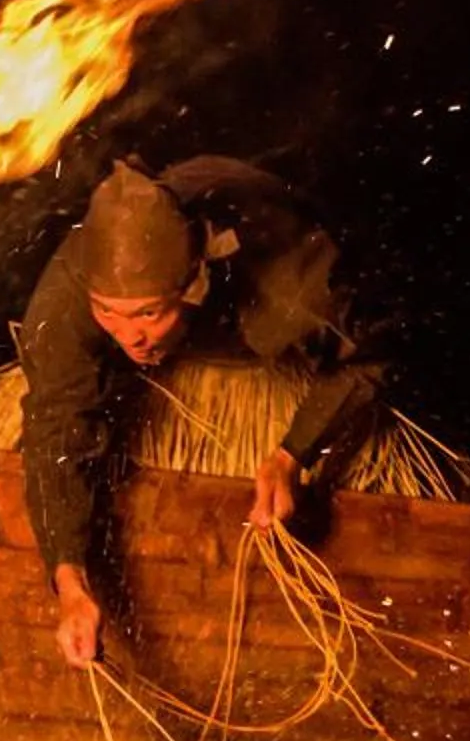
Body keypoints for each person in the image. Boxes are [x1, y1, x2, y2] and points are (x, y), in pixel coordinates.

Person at [20, 157, 387, 665]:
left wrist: (292, 454)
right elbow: (55, 425)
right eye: (109, 314)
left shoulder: (291, 286)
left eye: (149, 312)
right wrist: (69, 581)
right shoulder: (69, 293)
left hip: (263, 279)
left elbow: (369, 361)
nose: (130, 335)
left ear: (192, 285)